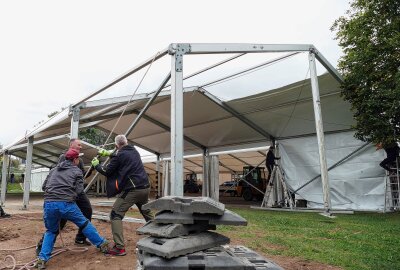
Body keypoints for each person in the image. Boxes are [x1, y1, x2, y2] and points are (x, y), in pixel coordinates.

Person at [35, 148, 109, 269]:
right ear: (75, 159)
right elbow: (79, 191)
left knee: (51, 231)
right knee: (84, 223)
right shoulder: (77, 171)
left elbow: (44, 187)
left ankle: (42, 259)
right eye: (78, 158)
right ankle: (101, 244)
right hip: (66, 204)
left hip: (49, 204)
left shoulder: (53, 170)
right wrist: (69, 195)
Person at [91, 134, 153, 256]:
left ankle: (120, 248)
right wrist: (109, 154)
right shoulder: (134, 151)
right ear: (127, 142)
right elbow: (122, 156)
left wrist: (96, 165)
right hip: (145, 187)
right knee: (146, 211)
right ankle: (161, 235)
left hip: (133, 189)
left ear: (116, 145)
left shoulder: (118, 156)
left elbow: (107, 171)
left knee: (115, 215)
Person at [36, 139, 93, 256]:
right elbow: (61, 174)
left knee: (87, 210)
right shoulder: (64, 157)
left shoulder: (79, 159)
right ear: (71, 145)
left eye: (81, 145)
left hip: (77, 191)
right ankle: (42, 245)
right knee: (61, 219)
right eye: (79, 144)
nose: (81, 147)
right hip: (65, 192)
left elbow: (82, 175)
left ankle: (80, 238)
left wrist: (92, 168)